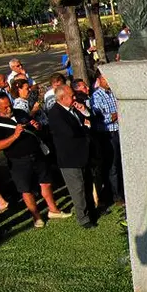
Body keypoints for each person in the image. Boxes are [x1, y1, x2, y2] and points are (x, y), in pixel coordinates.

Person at [0, 94, 71, 228]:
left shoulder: (20, 112)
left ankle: (53, 210)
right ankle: (36, 217)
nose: (8, 108)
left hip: (36, 155)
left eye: (9, 105)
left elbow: (32, 126)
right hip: (18, 161)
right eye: (5, 107)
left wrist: (36, 126)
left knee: (46, 183)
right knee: (26, 190)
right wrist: (15, 136)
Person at [48, 85, 96, 229]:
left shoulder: (73, 109)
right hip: (70, 158)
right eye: (71, 96)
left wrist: (83, 111)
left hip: (82, 155)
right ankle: (83, 218)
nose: (74, 98)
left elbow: (88, 117)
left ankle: (91, 211)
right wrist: (85, 128)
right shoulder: (56, 114)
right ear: (62, 98)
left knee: (87, 185)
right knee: (77, 189)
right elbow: (70, 133)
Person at [91, 71, 124, 206]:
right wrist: (114, 115)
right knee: (113, 165)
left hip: (119, 131)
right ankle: (116, 195)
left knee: (121, 162)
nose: (109, 82)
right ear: (99, 79)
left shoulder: (114, 92)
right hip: (107, 134)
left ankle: (123, 189)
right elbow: (99, 117)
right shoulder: (96, 96)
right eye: (106, 79)